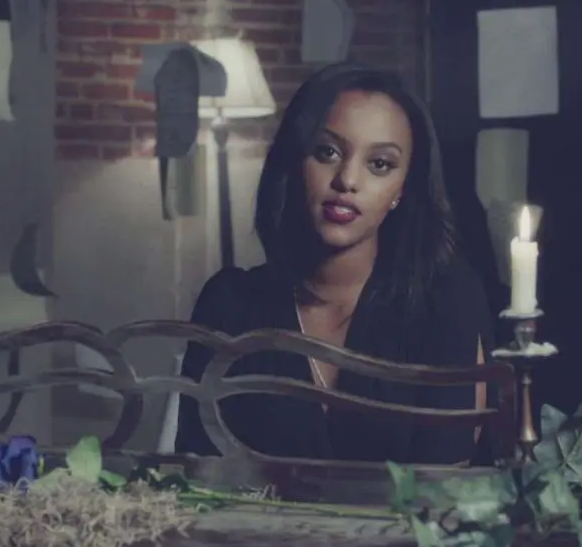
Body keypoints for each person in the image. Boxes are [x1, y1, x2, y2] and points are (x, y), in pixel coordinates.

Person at [175, 63, 493, 464]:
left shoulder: (445, 300)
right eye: (328, 152)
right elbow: (197, 473)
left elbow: (451, 477)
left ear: (401, 189)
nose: (347, 180)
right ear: (296, 160)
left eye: (380, 164)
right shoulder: (229, 303)